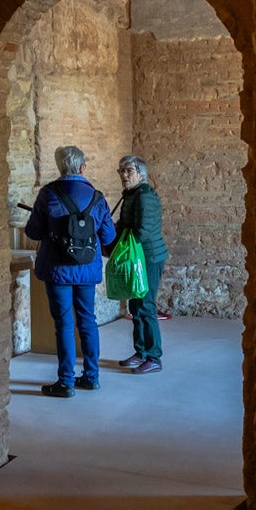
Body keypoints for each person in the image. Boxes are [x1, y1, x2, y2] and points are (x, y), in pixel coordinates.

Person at [24, 146, 117, 398]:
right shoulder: (97, 197)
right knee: (88, 320)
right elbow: (109, 235)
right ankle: (91, 376)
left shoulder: (48, 194)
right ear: (83, 167)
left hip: (58, 269)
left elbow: (33, 231)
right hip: (87, 269)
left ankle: (65, 382)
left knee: (63, 324)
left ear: (60, 167)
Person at [114, 155, 168, 374]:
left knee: (145, 306)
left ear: (141, 174)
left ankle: (154, 357)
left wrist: (120, 245)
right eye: (121, 171)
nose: (124, 175)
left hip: (148, 257)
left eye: (128, 171)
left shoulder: (145, 196)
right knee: (135, 306)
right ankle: (141, 352)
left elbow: (143, 231)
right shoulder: (132, 194)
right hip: (137, 256)